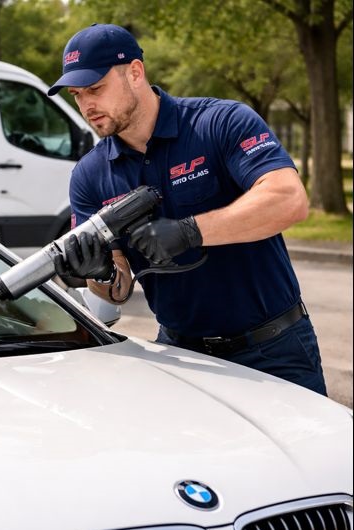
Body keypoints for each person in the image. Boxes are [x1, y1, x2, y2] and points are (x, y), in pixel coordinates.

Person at [47, 23, 327, 395]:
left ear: (134, 72)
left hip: (274, 349)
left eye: (95, 89)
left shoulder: (220, 123)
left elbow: (288, 199)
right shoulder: (89, 175)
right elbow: (117, 289)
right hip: (179, 354)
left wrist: (190, 232)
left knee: (312, 455)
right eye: (77, 95)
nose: (87, 106)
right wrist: (98, 274)